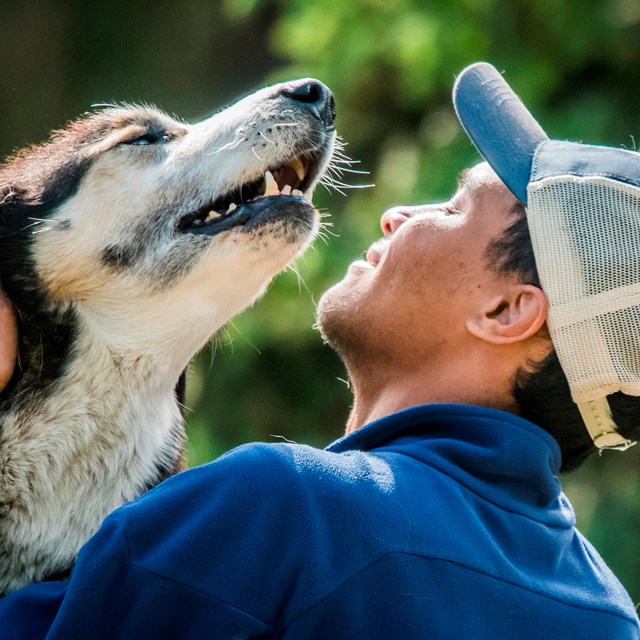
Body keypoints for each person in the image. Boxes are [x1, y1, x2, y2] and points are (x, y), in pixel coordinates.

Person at [0, 62, 639, 639]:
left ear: (506, 312)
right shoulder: (607, 614)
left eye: (449, 208)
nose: (397, 214)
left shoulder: (283, 515)